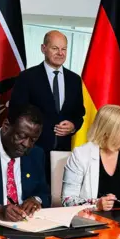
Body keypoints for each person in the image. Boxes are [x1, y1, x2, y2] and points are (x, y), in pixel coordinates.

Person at [9, 30, 85, 185]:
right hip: (32, 151)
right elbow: (16, 112)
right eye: (55, 48)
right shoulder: (27, 77)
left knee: (57, 197)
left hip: (62, 154)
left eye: (64, 49)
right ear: (43, 48)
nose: (60, 53)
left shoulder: (74, 80)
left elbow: (79, 113)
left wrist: (73, 125)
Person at [61, 105, 120, 211]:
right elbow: (67, 200)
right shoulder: (81, 154)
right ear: (109, 131)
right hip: (91, 223)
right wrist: (96, 205)